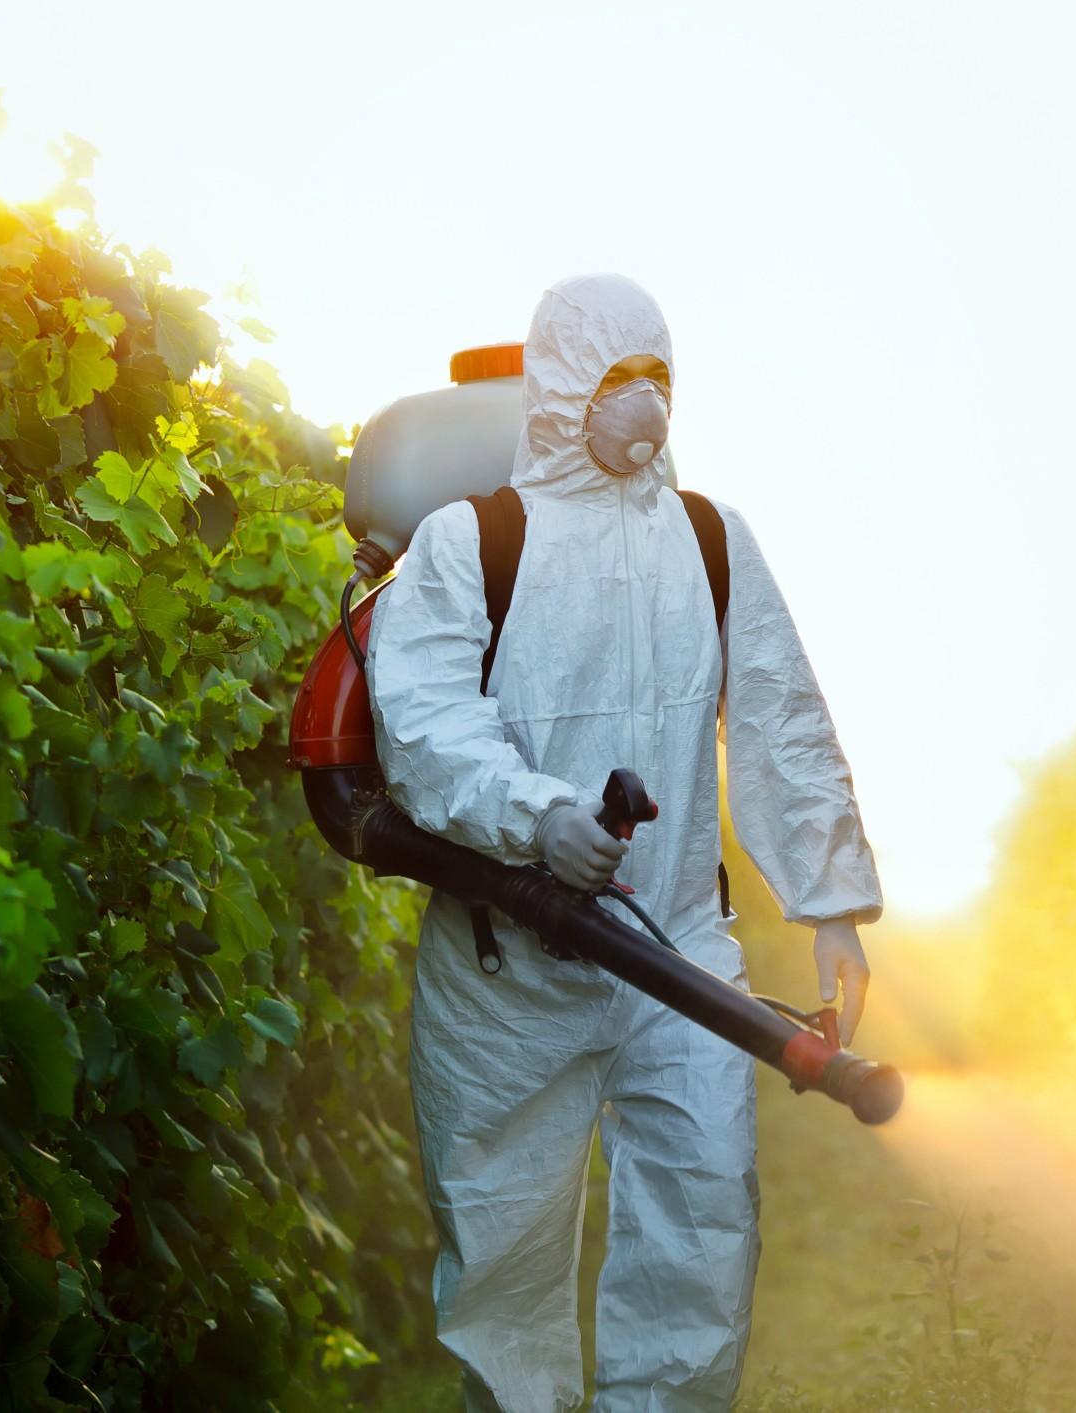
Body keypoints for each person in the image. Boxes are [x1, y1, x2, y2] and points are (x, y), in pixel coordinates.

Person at [365, 272, 884, 1412]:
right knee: (505, 1273)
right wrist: (538, 818)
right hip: (508, 973)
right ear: (557, 388)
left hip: (679, 955)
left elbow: (781, 717)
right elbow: (425, 724)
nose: (640, 405)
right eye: (614, 380)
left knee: (700, 1250)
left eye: (657, 378)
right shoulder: (469, 543)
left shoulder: (708, 540)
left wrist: (829, 901)